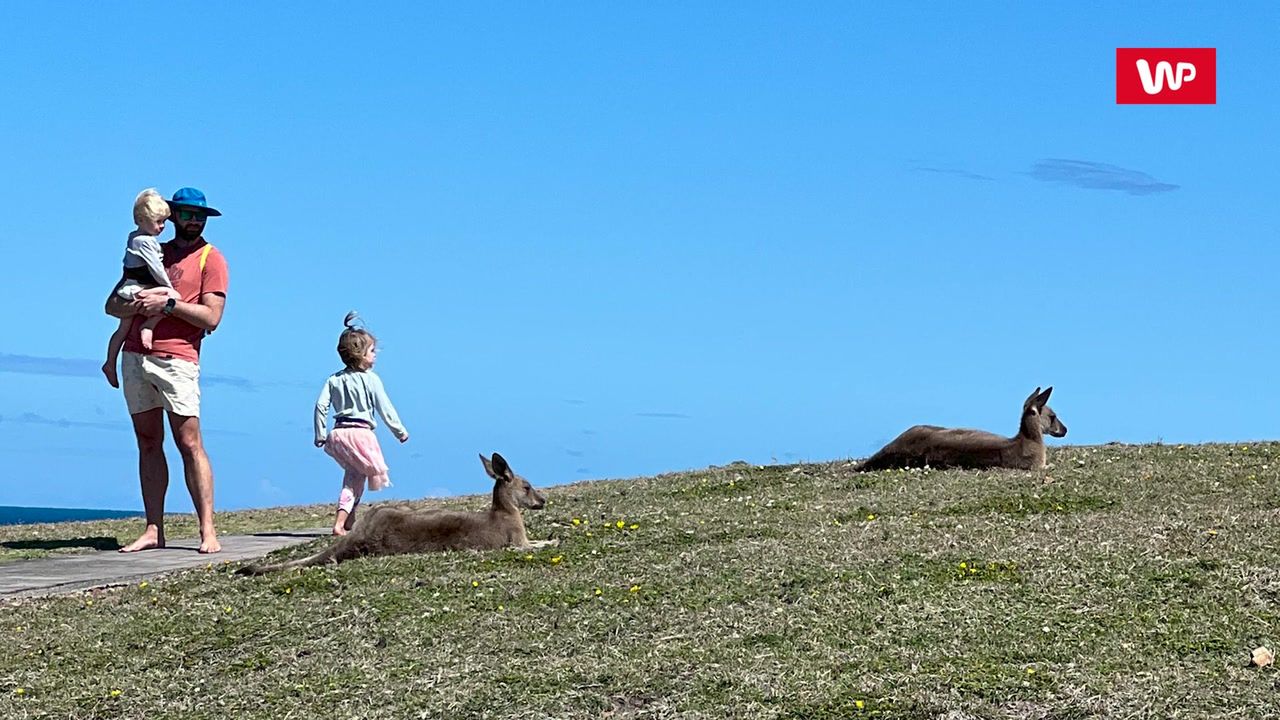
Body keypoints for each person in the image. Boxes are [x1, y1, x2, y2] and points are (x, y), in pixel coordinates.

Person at [104, 187, 228, 554]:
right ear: (172, 215)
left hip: (178, 359)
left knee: (189, 443)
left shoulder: (212, 259)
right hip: (135, 356)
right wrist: (140, 304)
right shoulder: (150, 248)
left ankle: (207, 530)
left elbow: (212, 318)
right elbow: (112, 304)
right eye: (187, 213)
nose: (193, 220)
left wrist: (169, 303)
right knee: (147, 442)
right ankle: (153, 528)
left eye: (199, 215)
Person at [314, 312, 410, 535]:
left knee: (353, 475)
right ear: (361, 354)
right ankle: (340, 523)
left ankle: (349, 520)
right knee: (355, 479)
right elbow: (385, 408)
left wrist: (320, 433)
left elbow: (321, 406)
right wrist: (400, 431)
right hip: (360, 435)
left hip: (338, 434)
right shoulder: (371, 380)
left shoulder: (334, 379)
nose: (375, 355)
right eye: (372, 351)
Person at [103, 189, 181, 388]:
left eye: (164, 222)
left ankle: (110, 362)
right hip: (138, 286)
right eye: (158, 222)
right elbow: (156, 268)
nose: (162, 227)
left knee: (122, 329)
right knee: (173, 297)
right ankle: (149, 326)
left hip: (131, 285)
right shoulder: (144, 241)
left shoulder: (134, 236)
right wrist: (167, 287)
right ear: (141, 220)